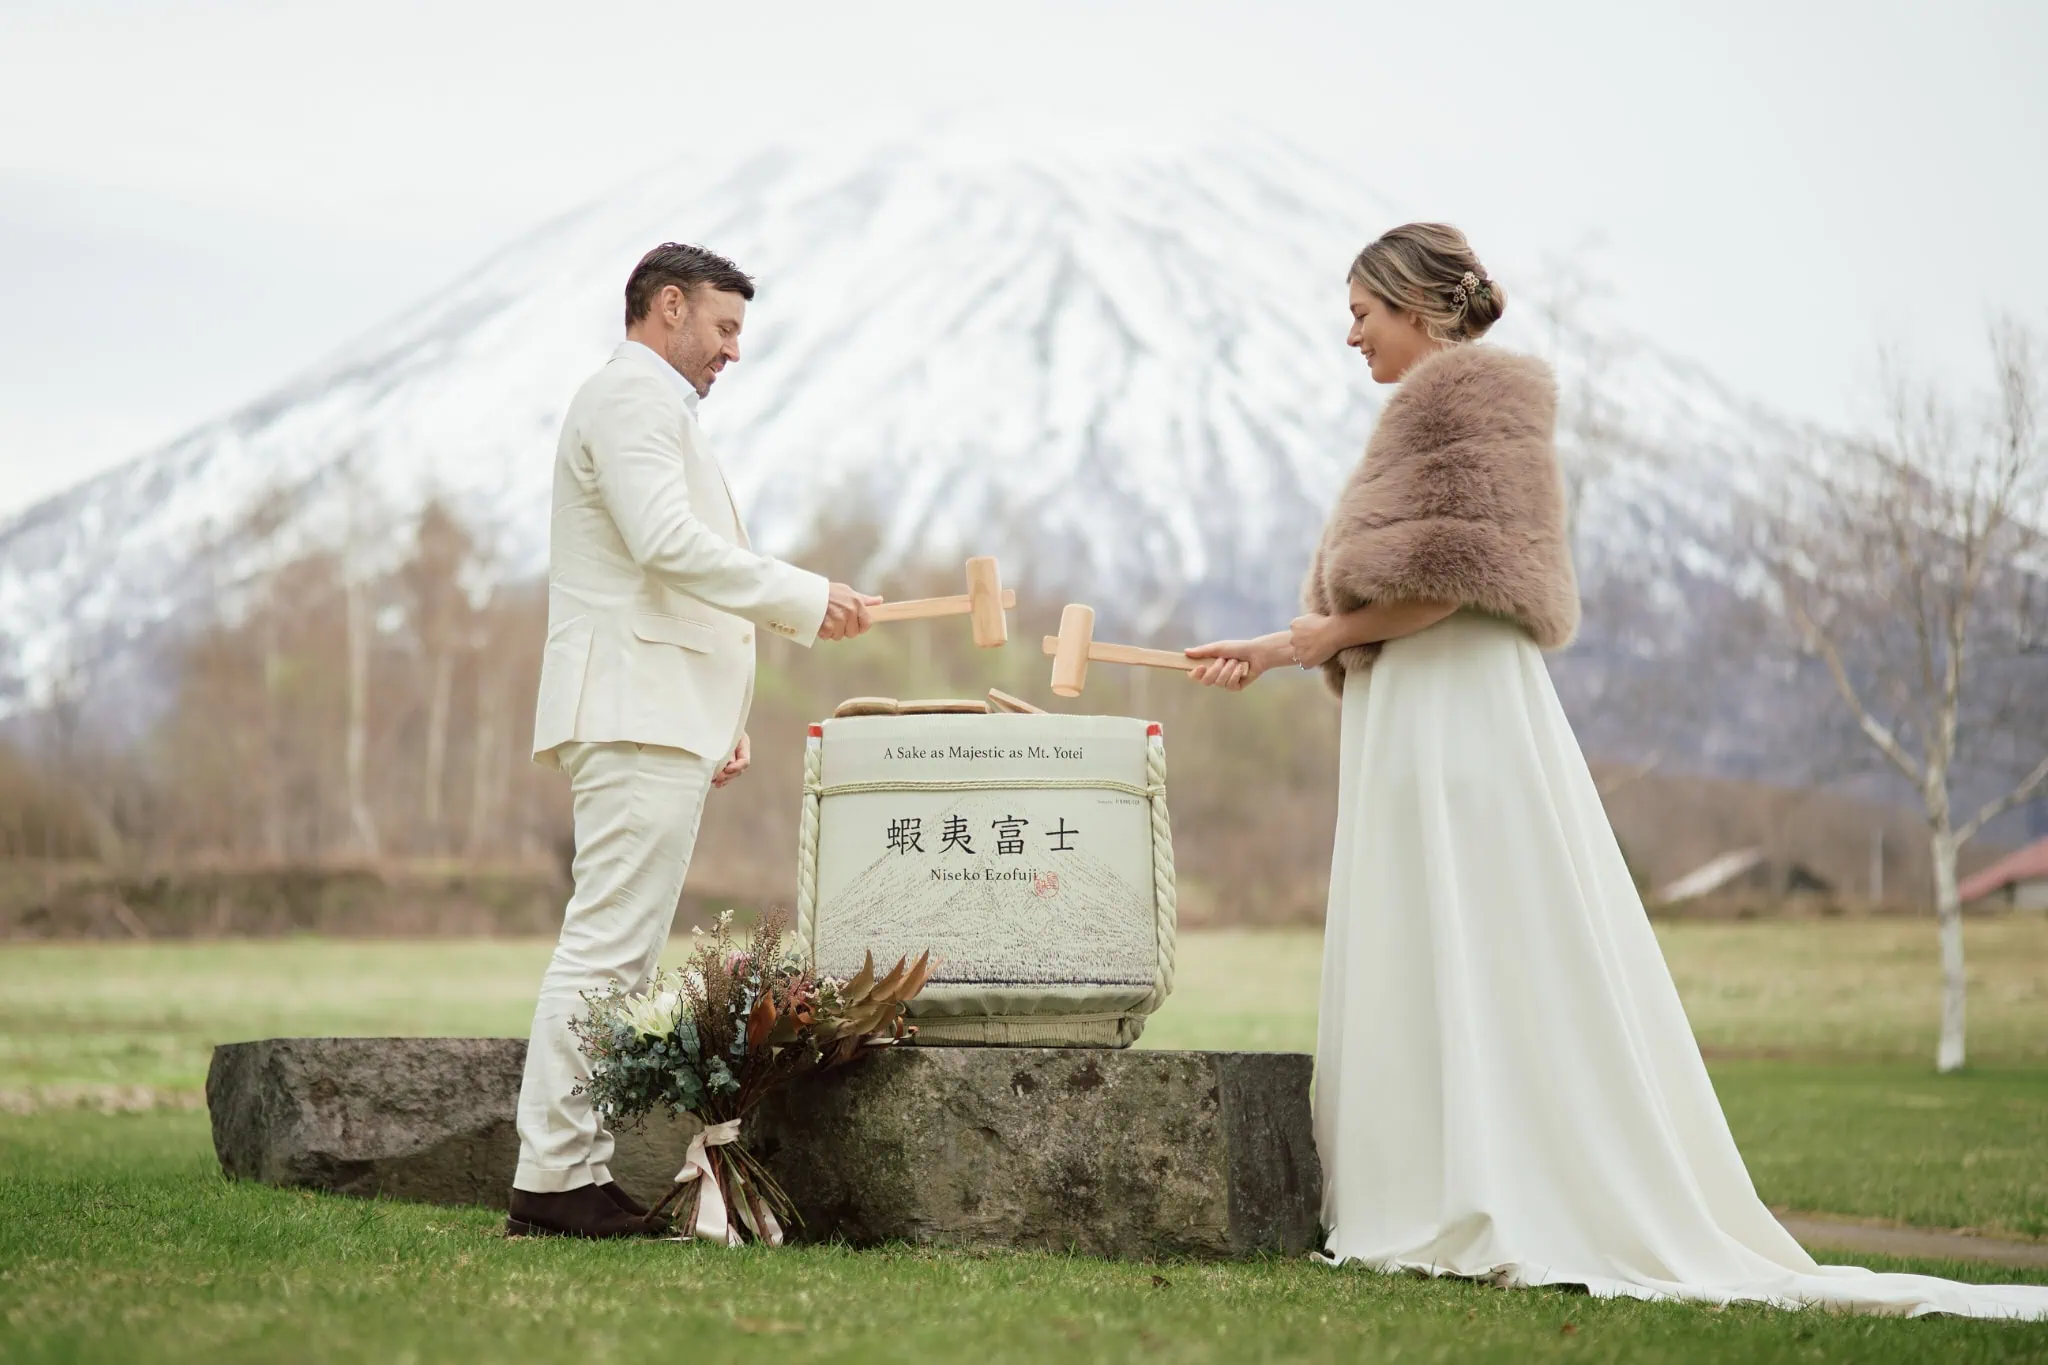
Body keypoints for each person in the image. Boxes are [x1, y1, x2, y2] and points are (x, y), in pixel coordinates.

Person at [1186, 222, 2048, 1317]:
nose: (1346, 333)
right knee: (1447, 925)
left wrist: (1314, 639)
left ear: (1413, 305)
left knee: (1463, 923)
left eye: (1359, 311)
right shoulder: (1439, 411)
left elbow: (1451, 580)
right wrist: (1276, 647)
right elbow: (1396, 593)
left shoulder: (1460, 404)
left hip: (1453, 707)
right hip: (1424, 698)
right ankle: (1445, 1175)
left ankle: (1474, 1185)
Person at [509, 243, 882, 1238]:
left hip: (654, 711)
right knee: (605, 953)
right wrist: (809, 597)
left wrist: (718, 719)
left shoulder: (650, 409)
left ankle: (567, 1179)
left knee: (618, 956)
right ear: (665, 308)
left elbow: (665, 577)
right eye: (722, 328)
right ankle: (552, 1184)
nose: (732, 352)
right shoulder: (631, 400)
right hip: (631, 712)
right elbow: (666, 544)